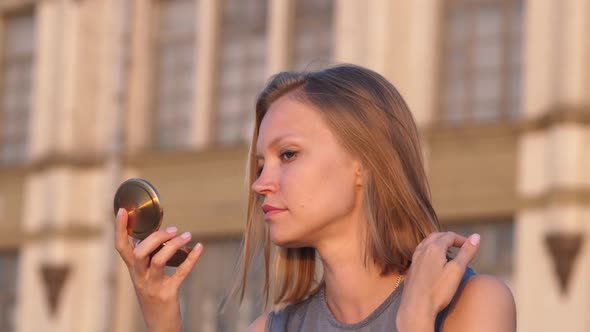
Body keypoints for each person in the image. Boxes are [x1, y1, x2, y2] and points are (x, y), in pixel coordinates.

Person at [114, 64, 516, 331]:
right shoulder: (271, 329)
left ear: (364, 164)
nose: (260, 184)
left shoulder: (472, 304)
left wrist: (415, 319)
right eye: (260, 165)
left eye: (287, 155)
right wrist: (160, 310)